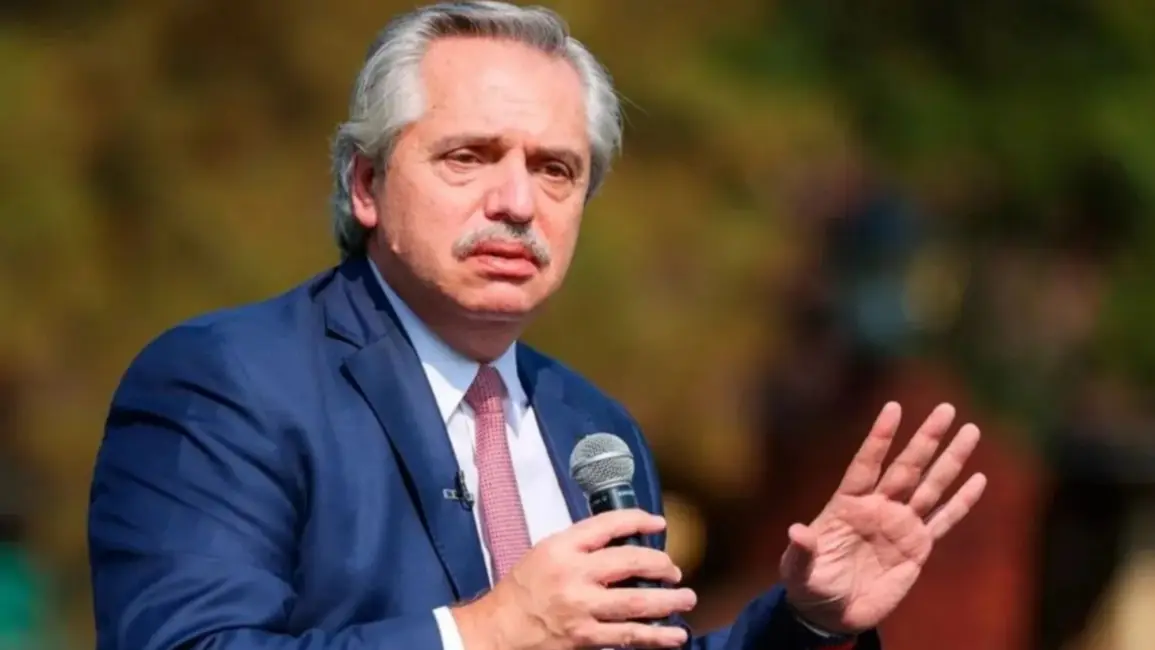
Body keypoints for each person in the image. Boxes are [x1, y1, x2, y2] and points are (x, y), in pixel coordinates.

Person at [87, 3, 987, 649]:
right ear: (365, 184)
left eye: (555, 170)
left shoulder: (592, 429)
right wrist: (482, 634)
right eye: (468, 156)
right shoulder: (228, 380)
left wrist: (806, 622)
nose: (517, 203)